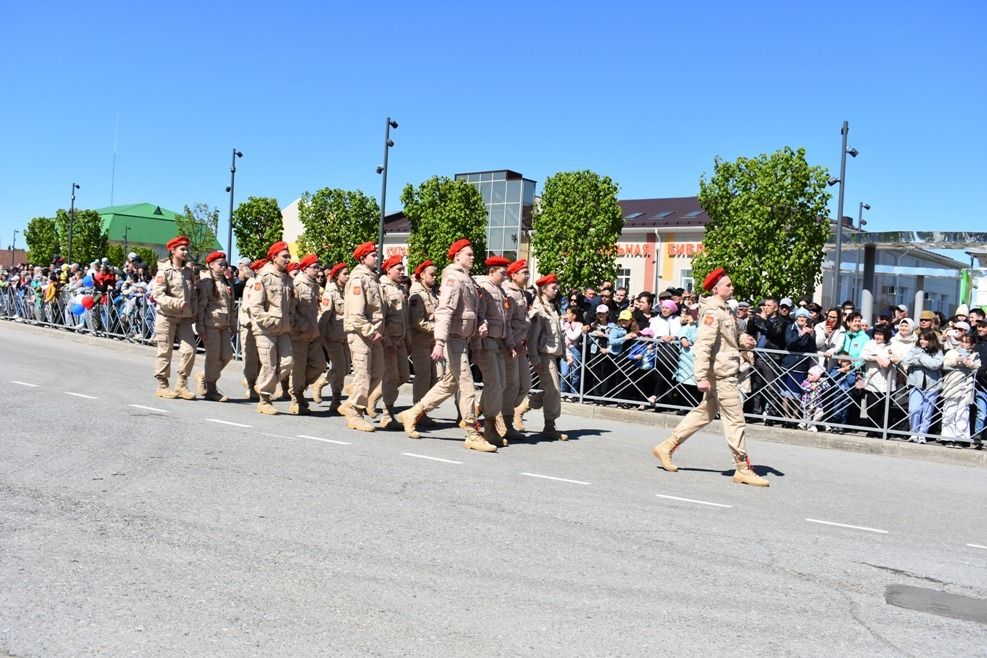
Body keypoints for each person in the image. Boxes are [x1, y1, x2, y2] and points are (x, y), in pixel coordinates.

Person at [652, 268, 769, 487]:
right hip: (721, 374)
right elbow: (703, 345)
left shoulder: (724, 310)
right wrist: (701, 376)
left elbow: (728, 339)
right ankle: (743, 467)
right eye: (728, 285)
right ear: (716, 289)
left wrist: (744, 340)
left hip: (723, 370)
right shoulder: (713, 312)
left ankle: (666, 446)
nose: (732, 288)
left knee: (704, 413)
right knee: (735, 420)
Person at [398, 239, 497, 452]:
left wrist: (480, 326)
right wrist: (440, 342)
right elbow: (445, 311)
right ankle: (472, 431)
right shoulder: (454, 277)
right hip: (452, 339)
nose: (472, 257)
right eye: (468, 254)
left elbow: (470, 312)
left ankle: (412, 413)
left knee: (449, 383)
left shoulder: (467, 279)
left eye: (472, 254)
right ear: (457, 256)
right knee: (466, 384)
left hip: (463, 340)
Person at [246, 241, 296, 415]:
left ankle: (263, 385)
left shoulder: (288, 278)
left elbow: (292, 304)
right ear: (274, 257)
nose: (288, 259)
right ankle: (265, 399)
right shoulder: (264, 277)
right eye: (285, 256)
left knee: (288, 362)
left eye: (288, 256)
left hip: (283, 329)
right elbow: (255, 306)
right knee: (269, 364)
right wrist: (269, 321)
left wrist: (289, 320)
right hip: (265, 329)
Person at [341, 242, 385, 431]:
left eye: (376, 255)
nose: (377, 257)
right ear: (362, 258)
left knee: (377, 371)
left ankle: (353, 399)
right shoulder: (358, 279)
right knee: (363, 373)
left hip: (373, 334)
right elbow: (356, 314)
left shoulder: (372, 278)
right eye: (373, 255)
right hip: (361, 333)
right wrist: (370, 331)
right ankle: (355, 412)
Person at [473, 255, 515, 445]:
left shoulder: (499, 290)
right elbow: (480, 315)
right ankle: (489, 427)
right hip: (487, 343)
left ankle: (478, 412)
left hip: (499, 343)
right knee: (495, 384)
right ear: (491, 271)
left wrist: (510, 344)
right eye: (502, 272)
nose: (505, 276)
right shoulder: (485, 289)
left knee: (502, 384)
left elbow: (506, 321)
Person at [152, 236, 198, 400]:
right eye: (182, 249)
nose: (186, 252)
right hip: (166, 316)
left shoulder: (188, 272)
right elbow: (157, 294)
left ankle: (181, 384)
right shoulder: (164, 271)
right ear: (173, 251)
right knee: (165, 351)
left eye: (186, 249)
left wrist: (194, 312)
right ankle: (162, 385)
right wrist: (176, 302)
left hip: (184, 318)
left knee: (190, 350)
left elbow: (192, 295)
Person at [527, 273, 569, 441]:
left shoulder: (552, 307)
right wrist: (535, 359)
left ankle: (523, 406)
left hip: (553, 354)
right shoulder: (539, 309)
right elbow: (532, 338)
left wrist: (565, 353)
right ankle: (549, 426)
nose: (556, 290)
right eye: (553, 287)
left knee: (551, 391)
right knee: (554, 391)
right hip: (544, 355)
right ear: (543, 289)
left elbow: (558, 333)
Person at [371, 254, 410, 428]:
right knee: (392, 377)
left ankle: (373, 396)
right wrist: (387, 342)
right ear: (388, 270)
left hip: (399, 340)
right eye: (399, 269)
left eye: (403, 269)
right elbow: (381, 319)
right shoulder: (384, 288)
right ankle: (387, 414)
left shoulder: (399, 289)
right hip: (389, 342)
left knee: (404, 376)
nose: (402, 272)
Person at [194, 250, 236, 402]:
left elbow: (231, 306)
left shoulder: (226, 282)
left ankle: (204, 376)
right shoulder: (206, 283)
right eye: (220, 264)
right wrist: (199, 326)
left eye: (225, 264)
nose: (224, 267)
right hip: (210, 324)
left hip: (224, 325)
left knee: (226, 356)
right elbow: (201, 306)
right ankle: (211, 388)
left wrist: (233, 324)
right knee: (213, 357)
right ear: (211, 265)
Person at [287, 254, 324, 415]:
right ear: (305, 268)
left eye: (318, 267)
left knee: (320, 365)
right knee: (298, 368)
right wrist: (304, 326)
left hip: (313, 334)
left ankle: (299, 389)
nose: (318, 270)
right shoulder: (298, 285)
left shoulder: (314, 285)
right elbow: (292, 311)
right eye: (314, 267)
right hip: (299, 334)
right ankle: (296, 398)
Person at [313, 262, 349, 413]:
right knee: (340, 368)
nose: (348, 276)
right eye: (345, 274)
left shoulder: (347, 291)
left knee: (346, 368)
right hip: (332, 336)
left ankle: (321, 382)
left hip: (345, 336)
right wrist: (321, 338)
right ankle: (336, 399)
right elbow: (324, 317)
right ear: (336, 276)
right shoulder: (330, 292)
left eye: (348, 273)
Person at [502, 259, 532, 435]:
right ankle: (505, 422)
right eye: (524, 273)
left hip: (521, 344)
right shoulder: (509, 293)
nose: (527, 276)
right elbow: (508, 322)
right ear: (514, 275)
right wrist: (513, 344)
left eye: (528, 272)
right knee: (511, 385)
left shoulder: (521, 293)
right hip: (511, 345)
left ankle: (486, 408)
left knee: (525, 385)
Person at [408, 260, 442, 412]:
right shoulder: (417, 295)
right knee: (423, 377)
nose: (435, 277)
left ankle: (424, 410)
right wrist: (438, 328)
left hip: (432, 341)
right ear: (422, 275)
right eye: (432, 274)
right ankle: (417, 410)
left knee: (436, 377)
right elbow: (418, 322)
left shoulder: (431, 293)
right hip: (420, 342)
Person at [901, 330, 944, 443]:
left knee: (927, 410)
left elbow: (935, 365)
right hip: (915, 383)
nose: (922, 341)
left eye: (925, 339)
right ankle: (914, 433)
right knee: (914, 409)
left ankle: (922, 434)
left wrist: (919, 357)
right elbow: (906, 360)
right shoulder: (914, 349)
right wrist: (924, 359)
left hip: (932, 384)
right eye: (920, 339)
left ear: (931, 340)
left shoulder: (937, 351)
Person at [941, 332, 981, 448]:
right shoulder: (952, 352)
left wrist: (971, 364)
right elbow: (944, 365)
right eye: (962, 341)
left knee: (963, 413)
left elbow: (978, 367)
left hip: (966, 388)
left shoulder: (975, 355)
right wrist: (956, 361)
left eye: (966, 342)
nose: (963, 344)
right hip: (952, 385)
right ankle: (947, 437)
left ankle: (961, 438)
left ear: (972, 345)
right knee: (949, 411)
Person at [238, 258, 266, 401]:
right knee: (250, 357)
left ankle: (257, 384)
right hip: (249, 324)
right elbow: (249, 305)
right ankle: (251, 385)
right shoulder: (252, 284)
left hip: (261, 325)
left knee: (262, 358)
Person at [560, 305, 584, 398]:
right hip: (565, 349)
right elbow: (560, 331)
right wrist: (562, 321)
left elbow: (573, 336)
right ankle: (563, 392)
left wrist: (567, 328)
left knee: (575, 372)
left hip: (575, 349)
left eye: (568, 313)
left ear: (574, 315)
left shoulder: (579, 324)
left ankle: (573, 393)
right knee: (564, 373)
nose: (566, 315)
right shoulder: (565, 323)